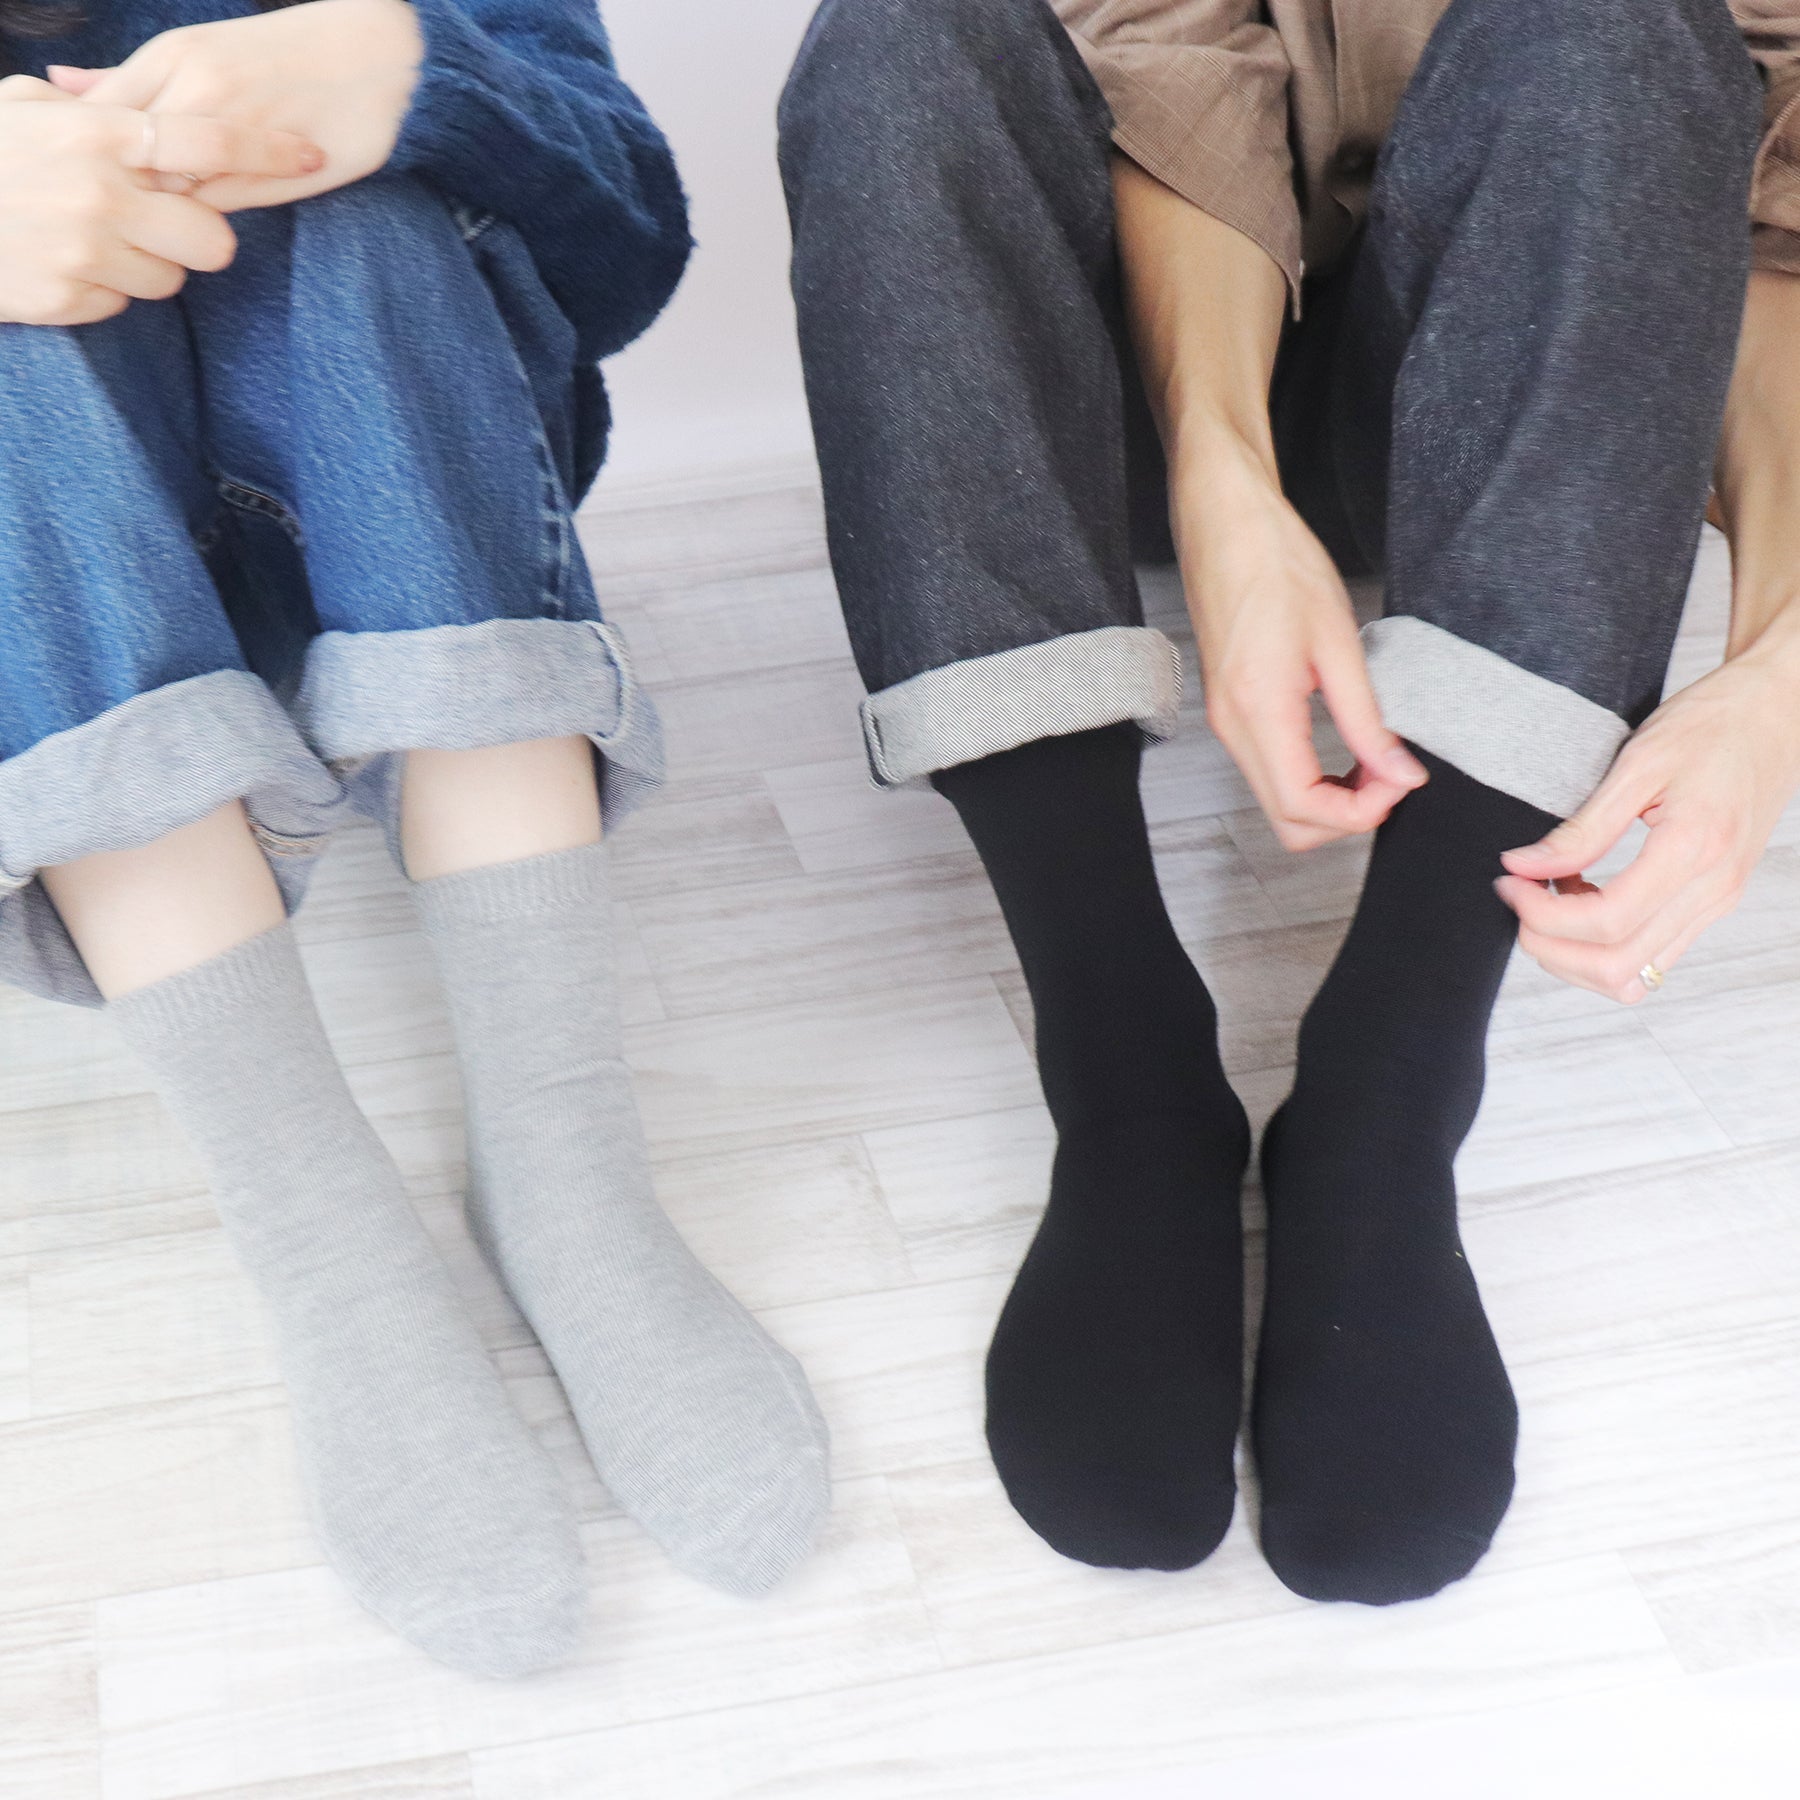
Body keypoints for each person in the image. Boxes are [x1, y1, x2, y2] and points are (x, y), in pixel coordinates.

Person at [778, 0, 1800, 1605]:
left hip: (1521, 377)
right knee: (901, 39)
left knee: (1618, 33)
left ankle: (1389, 1095)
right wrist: (1223, 477)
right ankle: (1123, 1069)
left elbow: (1757, 227)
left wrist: (1783, 668)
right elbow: (1164, 60)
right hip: (1126, 364)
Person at [0, 0, 829, 1677]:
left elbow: (629, 235)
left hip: (386, 505)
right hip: (54, 600)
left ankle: (562, 1175)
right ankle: (329, 1247)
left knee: (361, 208)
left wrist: (412, 70)